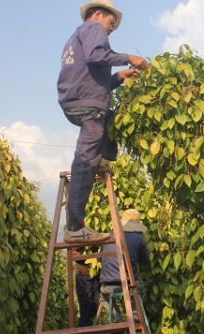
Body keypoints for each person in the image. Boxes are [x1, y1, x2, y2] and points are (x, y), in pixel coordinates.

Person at [58, 0, 149, 242]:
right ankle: (75, 228)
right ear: (98, 14)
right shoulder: (93, 29)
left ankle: (99, 159)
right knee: (84, 160)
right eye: (111, 23)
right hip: (88, 106)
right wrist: (129, 57)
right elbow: (97, 54)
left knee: (110, 118)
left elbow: (93, 81)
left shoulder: (75, 39)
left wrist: (121, 75)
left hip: (79, 100)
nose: (111, 29)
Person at [99, 209, 150, 323]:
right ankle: (134, 318)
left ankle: (117, 319)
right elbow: (144, 261)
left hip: (108, 284)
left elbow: (100, 258)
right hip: (128, 283)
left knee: (103, 297)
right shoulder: (138, 238)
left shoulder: (108, 236)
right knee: (140, 290)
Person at [73, 248, 101, 327]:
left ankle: (89, 327)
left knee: (95, 303)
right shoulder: (77, 237)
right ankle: (83, 328)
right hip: (83, 275)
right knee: (85, 304)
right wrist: (89, 257)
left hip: (96, 274)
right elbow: (73, 253)